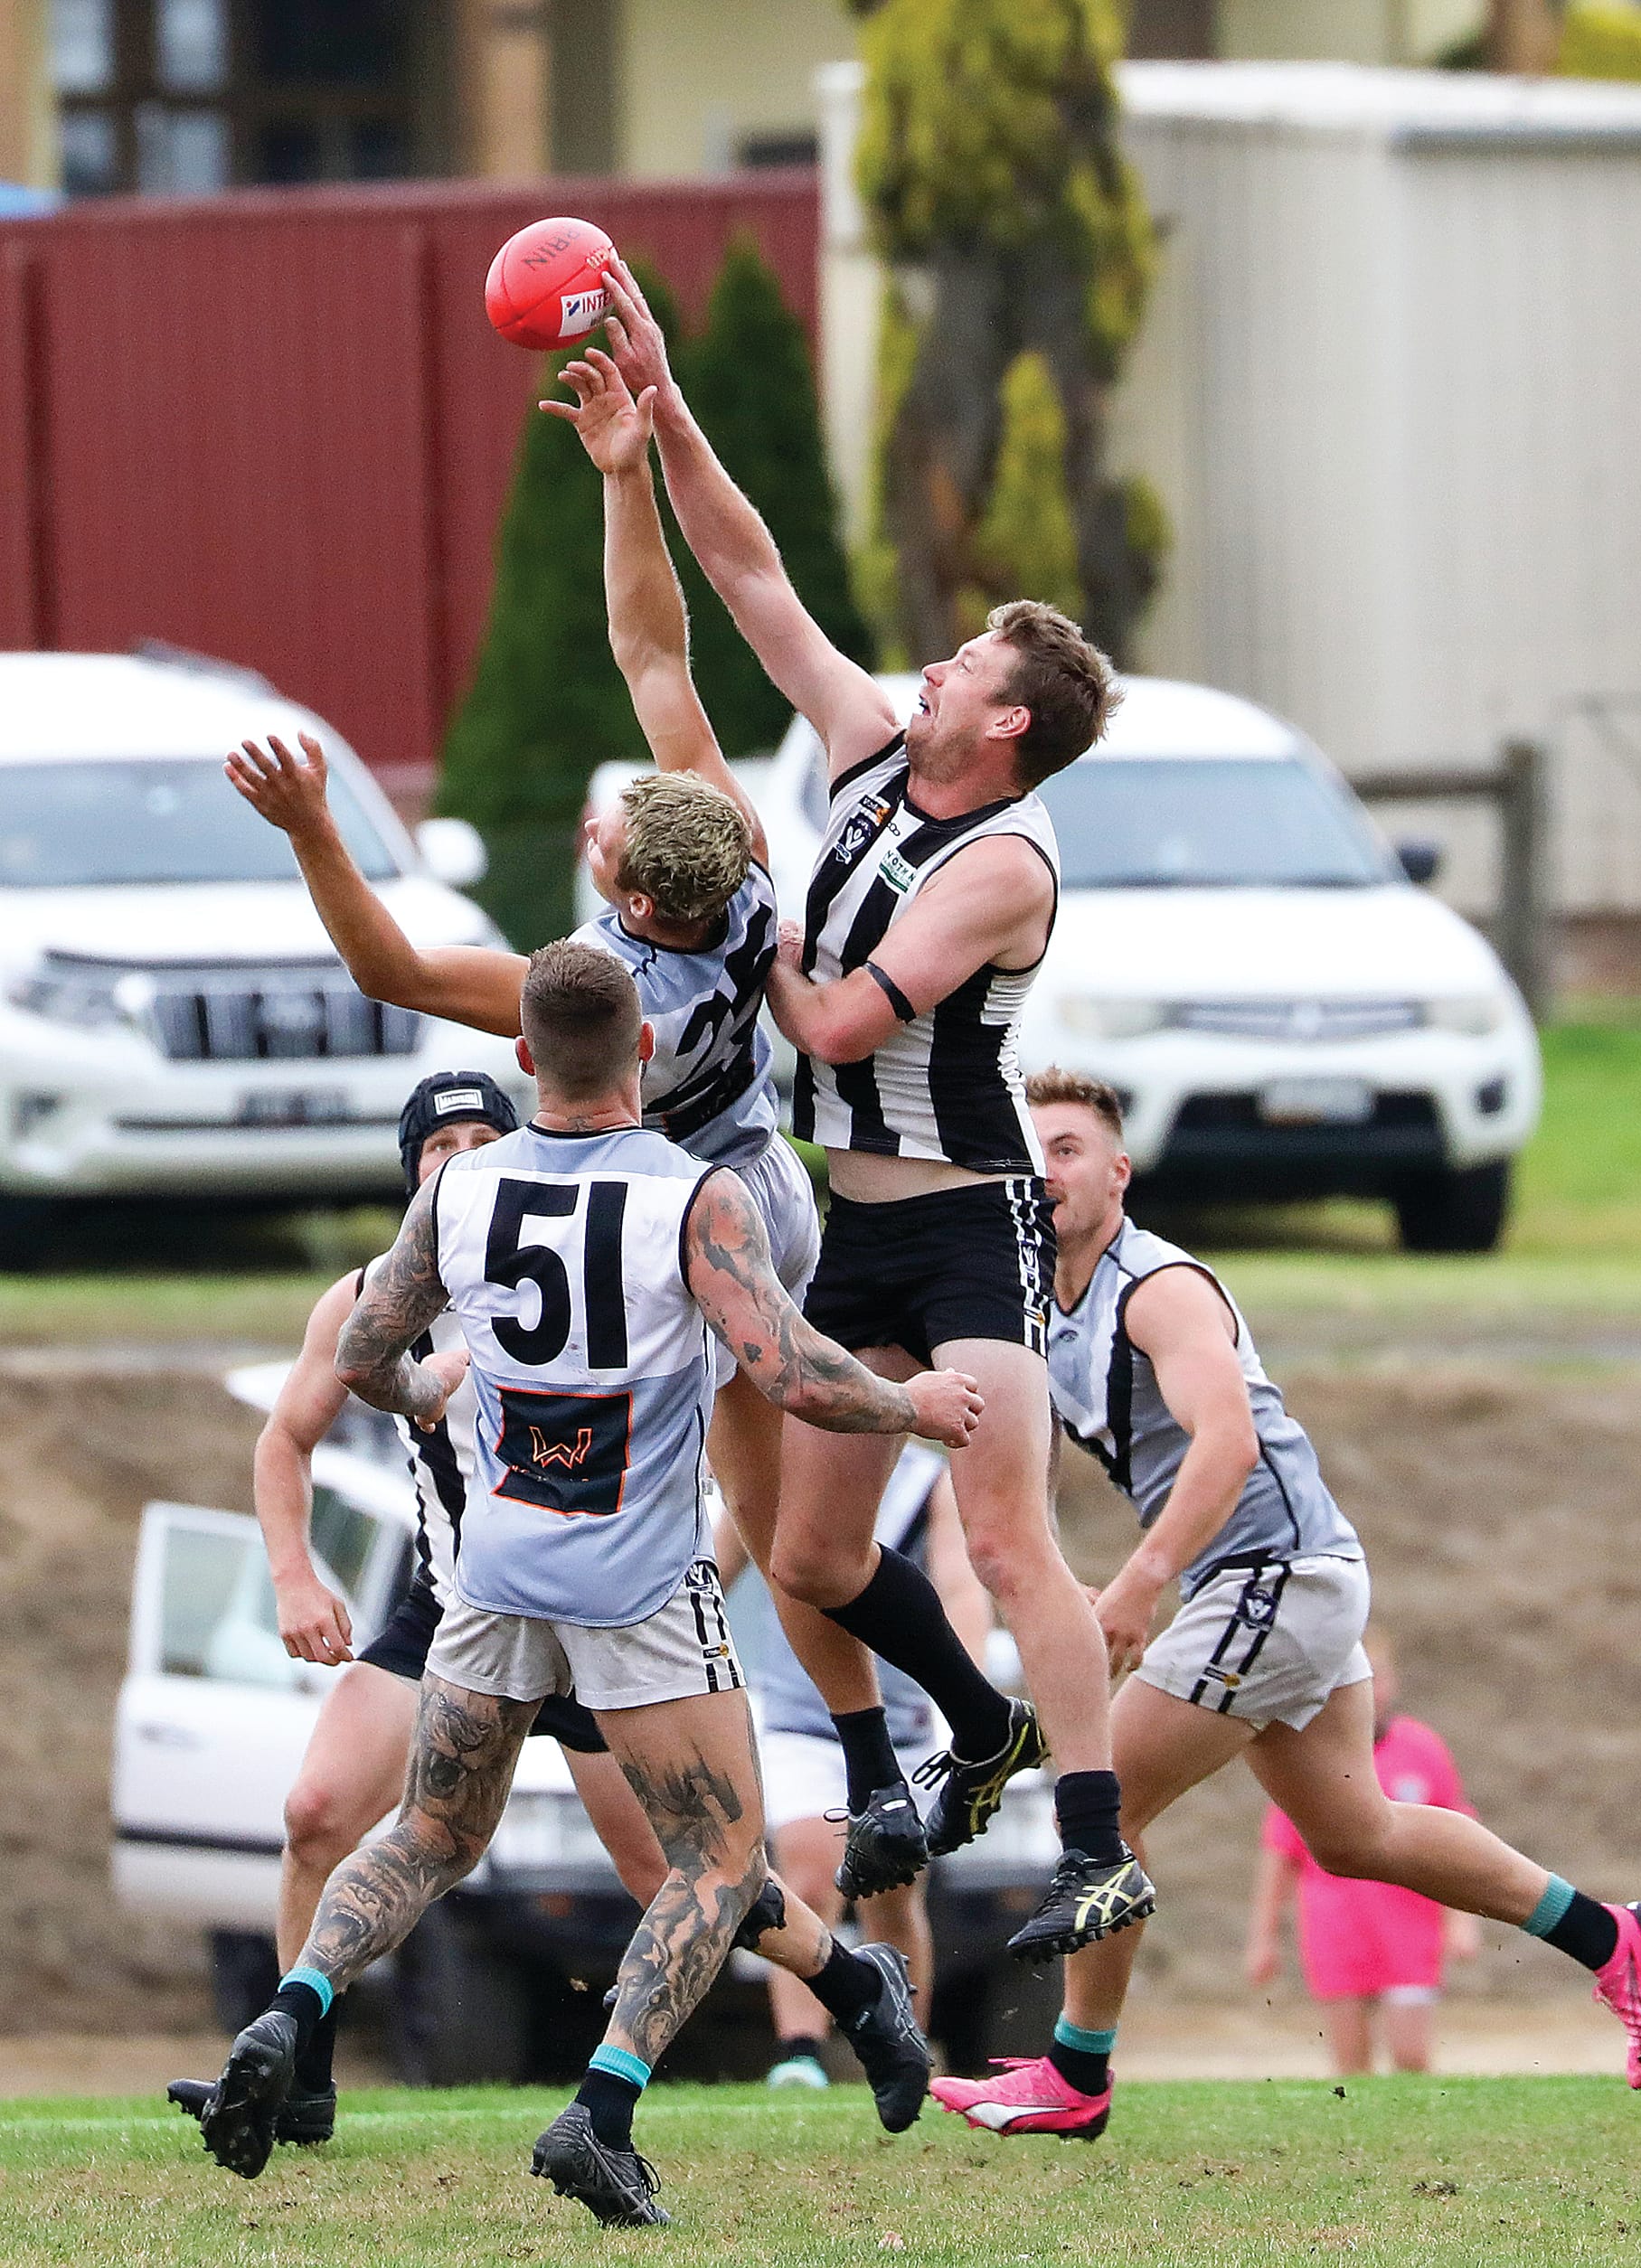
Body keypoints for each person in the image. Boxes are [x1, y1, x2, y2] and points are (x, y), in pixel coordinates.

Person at [193, 941, 985, 2229]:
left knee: (428, 1835)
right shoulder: (693, 1197)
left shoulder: (457, 1196)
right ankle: (601, 2112)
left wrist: (422, 1390)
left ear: (521, 1061)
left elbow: (360, 1346)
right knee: (717, 1864)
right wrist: (912, 1401)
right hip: (637, 1583)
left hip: (493, 1577)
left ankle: (293, 2009)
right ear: (645, 1054)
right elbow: (787, 1373)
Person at [582, 267, 1154, 1960]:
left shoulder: (999, 860)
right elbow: (749, 579)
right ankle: (969, 1730)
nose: (933, 651)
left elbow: (829, 1011)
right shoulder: (863, 747)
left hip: (971, 1222)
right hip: (850, 1224)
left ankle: (1091, 1839)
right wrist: (664, 412)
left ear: (1004, 723)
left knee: (1000, 1524)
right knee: (808, 1557)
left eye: (966, 651)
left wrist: (734, 906)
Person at [224, 358, 854, 1752]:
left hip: (680, 1209)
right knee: (769, 1522)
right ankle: (839, 1733)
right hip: (761, 1173)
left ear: (630, 900)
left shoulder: (600, 992)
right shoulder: (742, 869)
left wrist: (316, 833)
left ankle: (590, 1649)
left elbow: (388, 969)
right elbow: (654, 659)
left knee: (617, 1448)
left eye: (608, 836)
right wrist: (625, 476)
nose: (599, 826)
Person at [931, 1069, 1641, 2139]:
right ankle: (1612, 1936)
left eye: (1067, 1149)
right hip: (1284, 1580)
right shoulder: (1043, 1305)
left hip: (1273, 1576)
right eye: (1030, 1153)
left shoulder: (1158, 1287)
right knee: (1353, 1832)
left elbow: (1227, 1442)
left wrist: (1141, 1582)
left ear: (1116, 1171)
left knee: (1100, 1804)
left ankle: (1077, 2072)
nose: (1045, 1171)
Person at [166, 1069, 663, 2148]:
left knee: (675, 1873)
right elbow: (283, 1439)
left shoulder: (563, 1277)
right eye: (438, 1143)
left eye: (485, 1135)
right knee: (315, 1815)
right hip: (449, 1607)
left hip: (587, 1617)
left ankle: (843, 1994)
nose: (461, 1155)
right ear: (410, 1171)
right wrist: (297, 1576)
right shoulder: (365, 1297)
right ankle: (299, 2080)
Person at [712, 1445, 993, 2084]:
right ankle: (800, 2052)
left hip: (903, 1724)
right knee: (808, 1871)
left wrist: (965, 1701)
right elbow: (709, 1573)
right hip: (799, 1716)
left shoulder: (927, 1484)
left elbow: (957, 1588)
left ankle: (904, 2047)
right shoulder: (774, 1465)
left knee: (891, 1892)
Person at [1244, 1627, 1482, 2076]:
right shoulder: (1311, 1753)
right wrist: (1264, 1937)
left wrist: (1462, 1922)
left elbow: (1459, 1834)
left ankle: (1417, 2141)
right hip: (1336, 1927)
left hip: (1409, 1927)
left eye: (1380, 1677)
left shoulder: (1422, 1749)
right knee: (1350, 2065)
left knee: (1411, 2057)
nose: (1371, 1689)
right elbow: (1280, 1853)